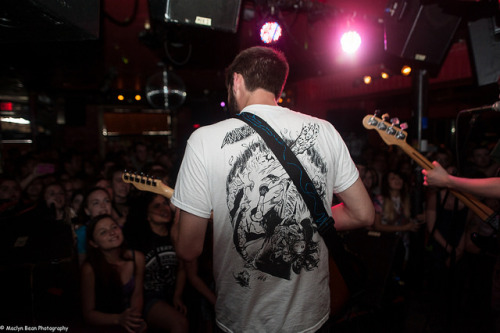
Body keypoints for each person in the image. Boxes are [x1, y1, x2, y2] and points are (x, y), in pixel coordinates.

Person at [171, 46, 374, 332]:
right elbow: (364, 214)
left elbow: (188, 248)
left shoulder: (203, 140)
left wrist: (178, 218)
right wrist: (305, 220)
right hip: (311, 319)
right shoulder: (325, 130)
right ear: (279, 86)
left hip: (241, 321)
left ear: (237, 81)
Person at [422, 160, 500, 333]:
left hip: (459, 246)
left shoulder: (468, 200)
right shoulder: (437, 197)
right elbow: (431, 226)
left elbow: (466, 226)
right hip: (440, 247)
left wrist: (448, 180)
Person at [124, 192, 189, 333]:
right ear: (147, 215)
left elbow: (182, 268)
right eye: (156, 206)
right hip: (149, 296)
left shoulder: (175, 234)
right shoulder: (140, 240)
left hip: (172, 294)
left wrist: (177, 295)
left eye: (165, 204)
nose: (164, 209)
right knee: (180, 323)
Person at [81, 214, 146, 333]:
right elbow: (88, 314)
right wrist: (119, 319)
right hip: (104, 323)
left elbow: (137, 295)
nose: (112, 232)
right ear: (94, 243)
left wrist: (133, 320)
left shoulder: (138, 258)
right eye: (103, 232)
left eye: (114, 227)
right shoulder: (89, 268)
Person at [75, 187, 114, 265]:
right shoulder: (82, 233)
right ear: (87, 210)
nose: (103, 205)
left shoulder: (118, 228)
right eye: (96, 203)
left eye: (106, 201)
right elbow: (82, 264)